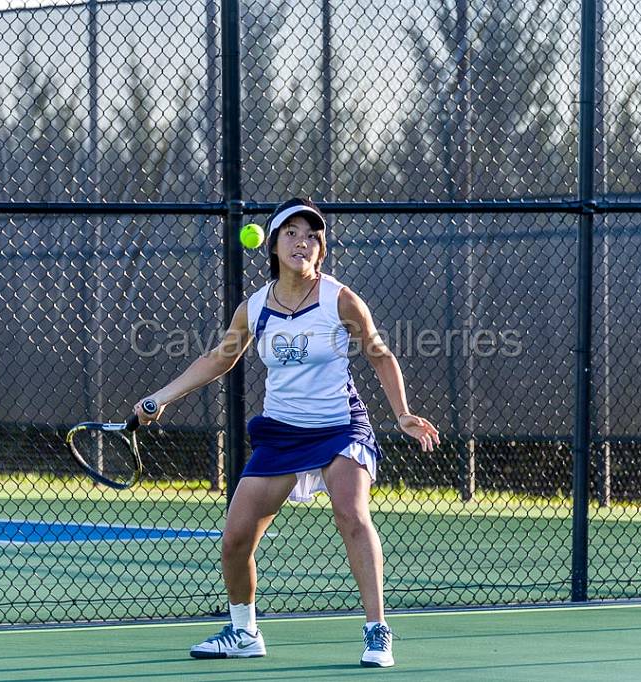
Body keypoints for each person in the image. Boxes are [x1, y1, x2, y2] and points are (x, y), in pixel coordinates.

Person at [134, 197, 441, 668]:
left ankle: (377, 631)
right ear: (274, 245)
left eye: (312, 235)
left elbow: (379, 355)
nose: (304, 241)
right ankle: (244, 633)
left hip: (340, 427)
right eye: (292, 233)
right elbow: (220, 358)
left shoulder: (340, 299)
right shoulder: (255, 307)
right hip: (281, 433)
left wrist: (401, 413)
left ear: (321, 248)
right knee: (236, 539)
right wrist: (160, 397)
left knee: (352, 514)